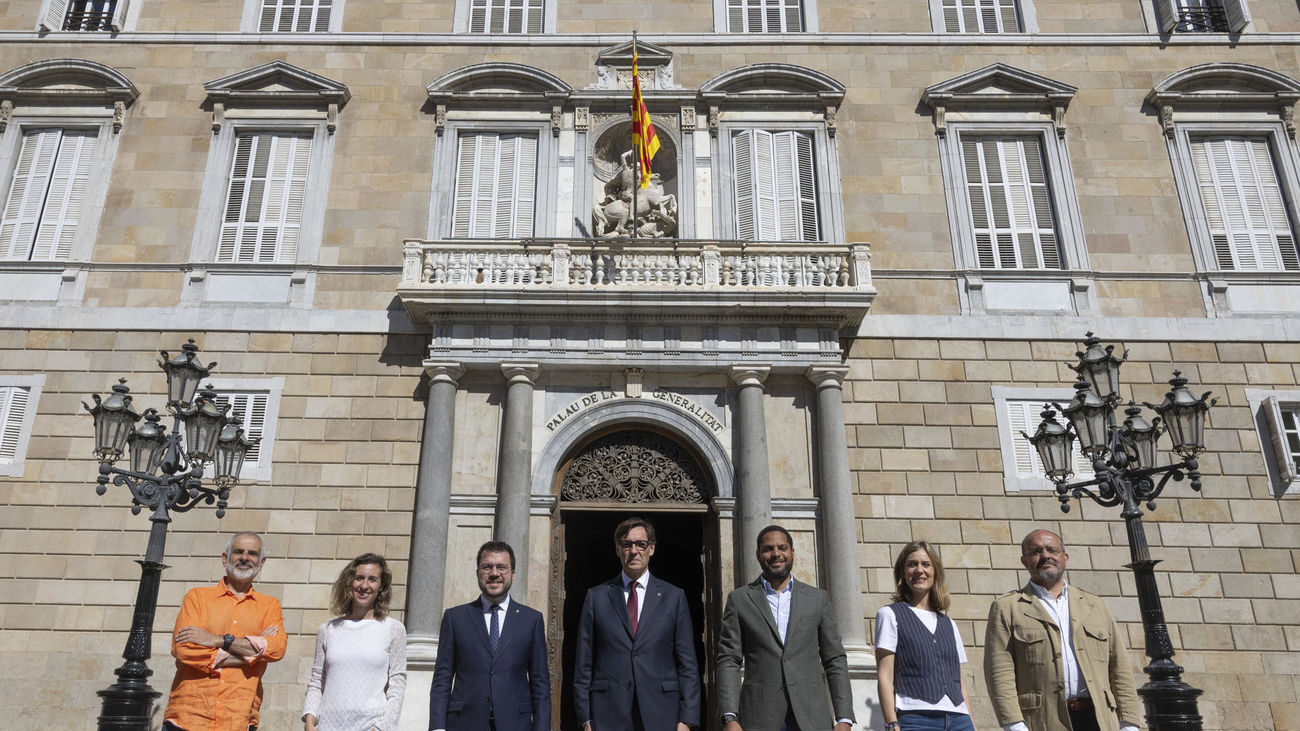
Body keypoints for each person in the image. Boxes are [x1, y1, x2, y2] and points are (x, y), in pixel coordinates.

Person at [984, 529, 1142, 731]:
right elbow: (999, 670)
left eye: (1052, 550)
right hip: (1041, 721)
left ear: (1065, 558)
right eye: (1036, 551)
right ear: (1024, 561)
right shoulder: (1008, 607)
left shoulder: (1095, 605)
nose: (1045, 556)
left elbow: (1119, 667)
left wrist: (1129, 722)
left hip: (1099, 719)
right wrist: (1014, 724)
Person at [717, 524, 855, 731]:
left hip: (811, 716)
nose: (776, 554)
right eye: (768, 549)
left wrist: (844, 717)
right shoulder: (740, 600)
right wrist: (729, 716)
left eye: (782, 548)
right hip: (759, 717)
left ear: (792, 552)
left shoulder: (817, 599)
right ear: (758, 554)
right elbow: (729, 659)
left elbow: (834, 658)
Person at [574, 516, 701, 731]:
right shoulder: (596, 597)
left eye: (641, 544)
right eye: (626, 544)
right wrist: (585, 719)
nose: (634, 551)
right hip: (608, 714)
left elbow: (687, 663)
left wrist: (687, 720)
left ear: (651, 549)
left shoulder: (673, 596)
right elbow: (583, 663)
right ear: (617, 549)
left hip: (662, 714)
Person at [163, 531, 287, 731]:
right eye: (238, 552)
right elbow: (184, 650)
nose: (245, 558)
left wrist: (218, 640)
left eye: (252, 553)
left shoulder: (269, 606)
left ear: (261, 562)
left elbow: (277, 649)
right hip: (189, 717)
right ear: (225, 558)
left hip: (238, 718)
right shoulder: (197, 598)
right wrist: (254, 654)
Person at [429, 541, 550, 731]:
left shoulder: (531, 620)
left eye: (502, 567)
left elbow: (540, 683)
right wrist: (437, 727)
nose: (494, 573)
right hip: (464, 723)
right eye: (487, 567)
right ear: (478, 572)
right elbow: (442, 677)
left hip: (516, 724)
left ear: (513, 573)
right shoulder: (455, 617)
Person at [874, 540, 977, 731]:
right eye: (912, 564)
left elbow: (958, 680)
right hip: (916, 718)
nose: (919, 570)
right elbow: (885, 675)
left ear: (935, 571)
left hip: (959, 719)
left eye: (926, 564)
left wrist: (971, 722)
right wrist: (891, 722)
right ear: (903, 573)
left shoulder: (949, 624)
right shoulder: (889, 614)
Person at [302, 553, 407, 731]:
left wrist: (382, 728)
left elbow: (397, 685)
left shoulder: (393, 629)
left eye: (372, 579)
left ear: (381, 586)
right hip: (328, 725)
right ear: (350, 582)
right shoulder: (328, 630)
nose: (364, 586)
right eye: (359, 578)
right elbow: (317, 681)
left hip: (370, 725)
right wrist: (310, 719)